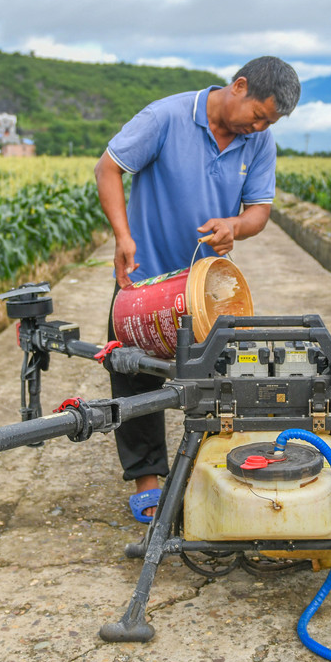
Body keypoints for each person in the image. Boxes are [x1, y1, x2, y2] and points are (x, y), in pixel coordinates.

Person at [94, 56, 301, 521]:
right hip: (144, 278)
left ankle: (209, 467)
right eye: (259, 115)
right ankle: (149, 477)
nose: (260, 127)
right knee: (133, 374)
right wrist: (123, 237)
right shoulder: (165, 117)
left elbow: (259, 212)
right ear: (239, 86)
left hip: (209, 285)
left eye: (269, 122)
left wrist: (235, 226)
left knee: (219, 374)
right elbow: (107, 169)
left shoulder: (259, 142)